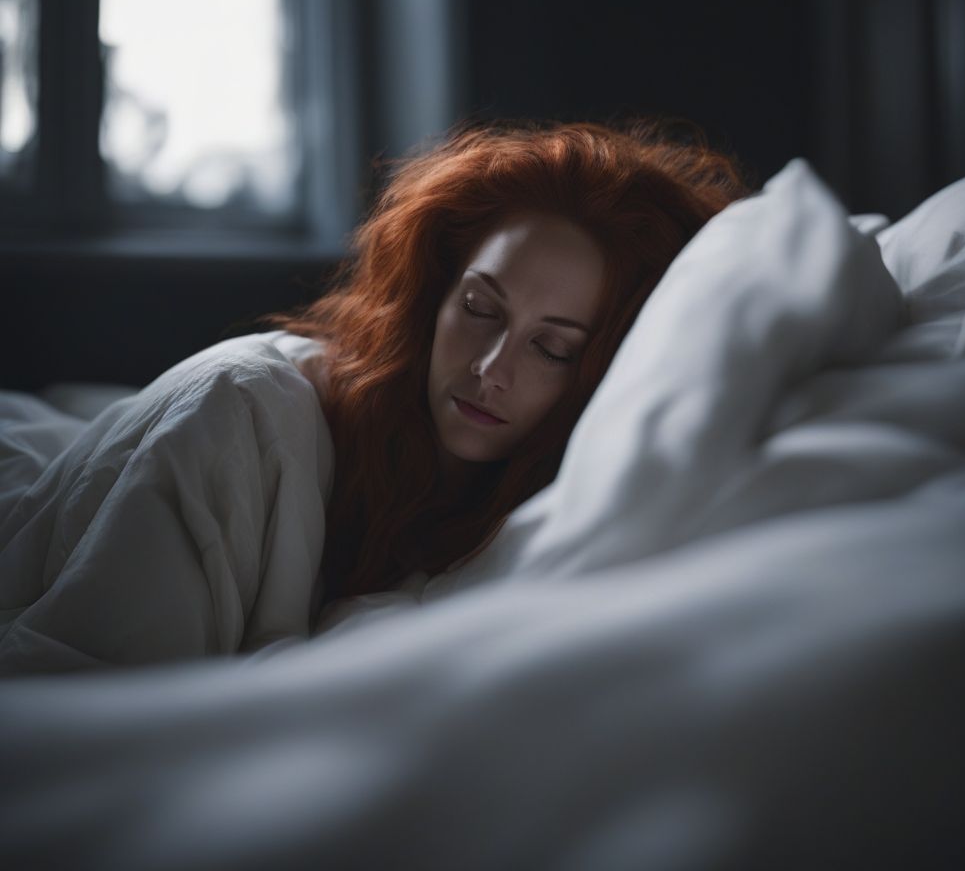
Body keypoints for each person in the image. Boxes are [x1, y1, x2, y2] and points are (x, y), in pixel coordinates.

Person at [264, 119, 750, 605]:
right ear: (437, 290)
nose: (491, 370)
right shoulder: (262, 418)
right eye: (479, 308)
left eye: (552, 349)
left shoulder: (580, 528)